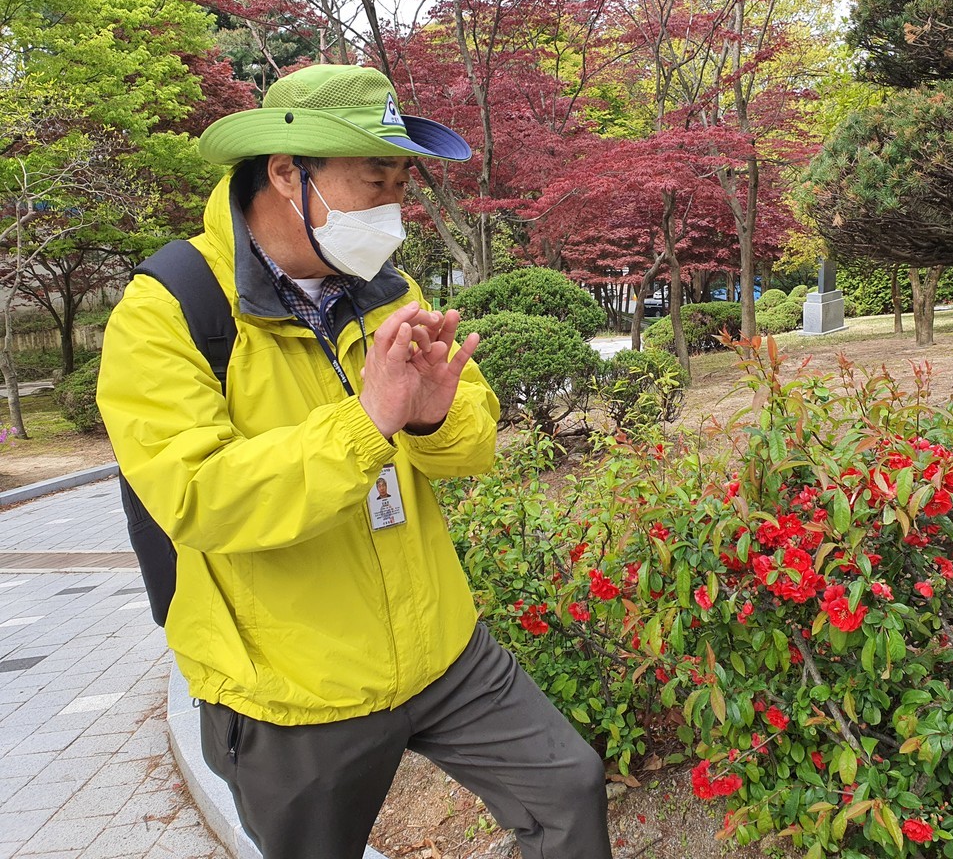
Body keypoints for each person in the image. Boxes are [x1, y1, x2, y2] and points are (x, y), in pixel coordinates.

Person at [97, 64, 612, 859]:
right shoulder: (168, 311)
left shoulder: (384, 286)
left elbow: (471, 447)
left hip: (443, 647)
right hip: (293, 690)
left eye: (402, 183)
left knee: (568, 790)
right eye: (375, 180)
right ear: (284, 171)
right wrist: (369, 421)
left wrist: (435, 413)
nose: (392, 209)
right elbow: (200, 498)